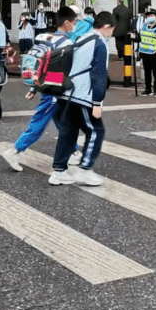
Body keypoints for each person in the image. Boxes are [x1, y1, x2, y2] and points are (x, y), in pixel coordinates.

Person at [2, 7, 84, 172]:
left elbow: (41, 66)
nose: (75, 25)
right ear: (67, 23)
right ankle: (15, 150)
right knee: (40, 122)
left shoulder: (49, 38)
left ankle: (75, 152)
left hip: (48, 85)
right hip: (55, 88)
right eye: (74, 22)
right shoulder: (66, 43)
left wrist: (34, 87)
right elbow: (67, 69)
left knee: (62, 121)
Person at [49, 11, 114, 186]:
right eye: (111, 30)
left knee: (68, 131)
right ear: (106, 27)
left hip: (66, 92)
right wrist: (97, 102)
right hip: (82, 94)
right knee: (95, 131)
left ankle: (58, 171)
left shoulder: (81, 38)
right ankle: (85, 168)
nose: (111, 35)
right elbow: (99, 74)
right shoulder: (100, 43)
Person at [139, 7, 156, 96]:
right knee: (147, 72)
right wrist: (134, 37)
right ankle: (148, 89)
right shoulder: (144, 26)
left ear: (155, 16)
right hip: (144, 52)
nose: (150, 17)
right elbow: (141, 38)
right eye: (148, 16)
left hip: (155, 53)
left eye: (152, 15)